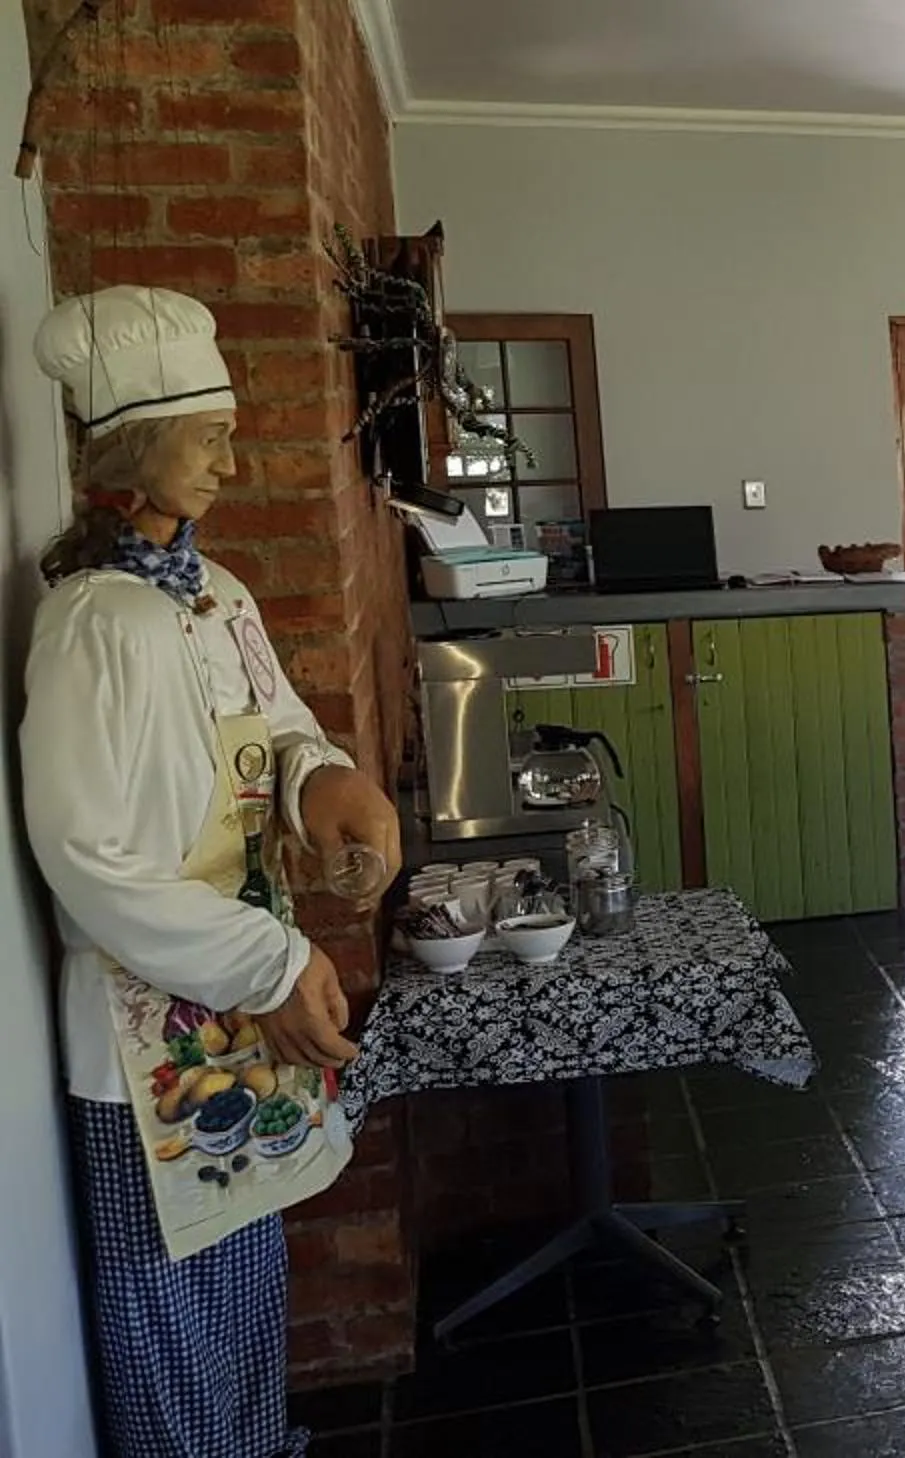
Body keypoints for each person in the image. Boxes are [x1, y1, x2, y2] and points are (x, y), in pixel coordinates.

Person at [23, 285, 401, 1457]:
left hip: (240, 1006)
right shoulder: (97, 624)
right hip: (150, 1041)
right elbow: (88, 859)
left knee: (242, 1296)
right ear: (134, 454)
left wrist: (330, 789)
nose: (231, 464)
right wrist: (276, 961)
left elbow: (280, 731)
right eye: (212, 438)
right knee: (172, 1326)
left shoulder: (218, 598)